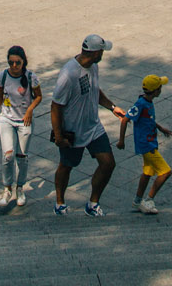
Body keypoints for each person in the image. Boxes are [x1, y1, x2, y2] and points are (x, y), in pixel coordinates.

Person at [51, 34, 128, 217]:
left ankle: (93, 203)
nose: (103, 55)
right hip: (73, 131)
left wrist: (112, 107)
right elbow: (55, 106)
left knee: (108, 163)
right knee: (66, 166)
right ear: (95, 53)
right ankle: (60, 202)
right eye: (102, 51)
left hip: (93, 127)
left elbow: (95, 90)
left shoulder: (93, 67)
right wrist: (59, 136)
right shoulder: (68, 75)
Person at [0, 44, 41, 206]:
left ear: (24, 62)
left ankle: (20, 187)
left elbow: (38, 96)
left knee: (22, 157)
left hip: (24, 121)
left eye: (18, 62)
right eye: (11, 63)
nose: (14, 66)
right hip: (7, 119)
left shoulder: (31, 77)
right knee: (7, 156)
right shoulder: (3, 76)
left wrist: (30, 110)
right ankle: (7, 188)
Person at [117, 74, 172, 215]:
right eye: (160, 87)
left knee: (147, 172)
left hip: (149, 141)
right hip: (147, 144)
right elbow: (125, 119)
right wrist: (121, 140)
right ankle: (148, 200)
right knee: (166, 172)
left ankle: (137, 200)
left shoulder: (147, 102)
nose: (161, 90)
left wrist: (160, 128)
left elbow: (148, 119)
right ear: (155, 91)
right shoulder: (141, 104)